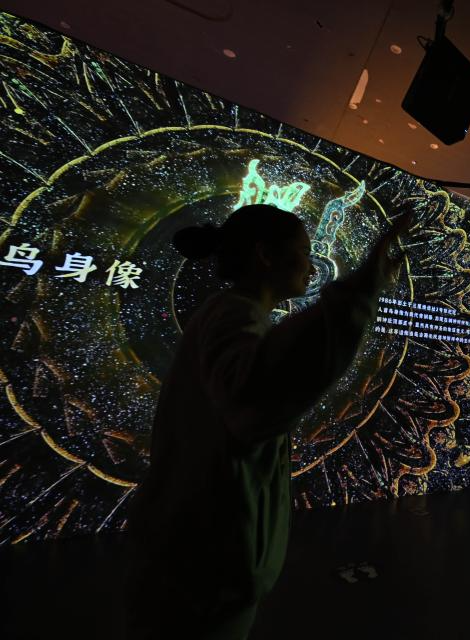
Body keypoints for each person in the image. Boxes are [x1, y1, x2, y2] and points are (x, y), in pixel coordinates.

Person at [125, 204, 406, 638]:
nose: (312, 265)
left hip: (193, 562)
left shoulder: (229, 314)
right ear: (266, 255)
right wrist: (358, 292)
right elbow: (253, 400)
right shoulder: (232, 315)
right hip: (202, 568)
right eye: (304, 252)